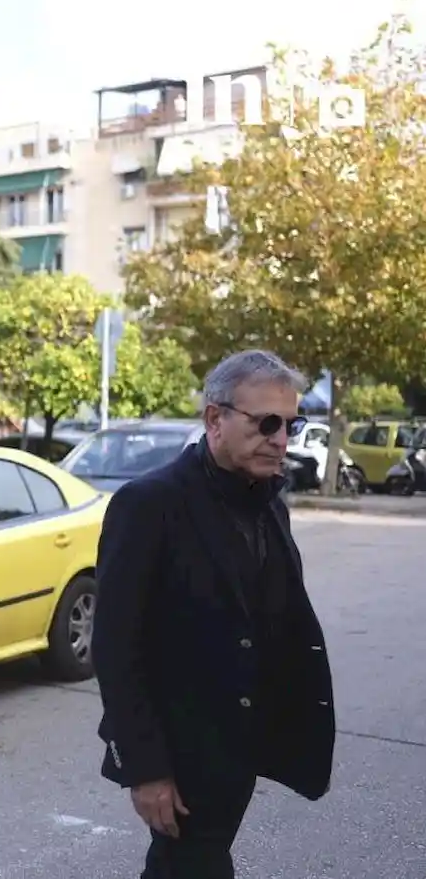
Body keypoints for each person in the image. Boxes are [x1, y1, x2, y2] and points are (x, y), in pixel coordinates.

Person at [92, 349, 335, 878]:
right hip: (181, 751)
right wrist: (145, 767)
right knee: (190, 864)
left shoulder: (268, 503)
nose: (281, 439)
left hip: (240, 745)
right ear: (214, 419)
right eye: (266, 423)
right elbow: (114, 646)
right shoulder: (150, 503)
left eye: (291, 425)